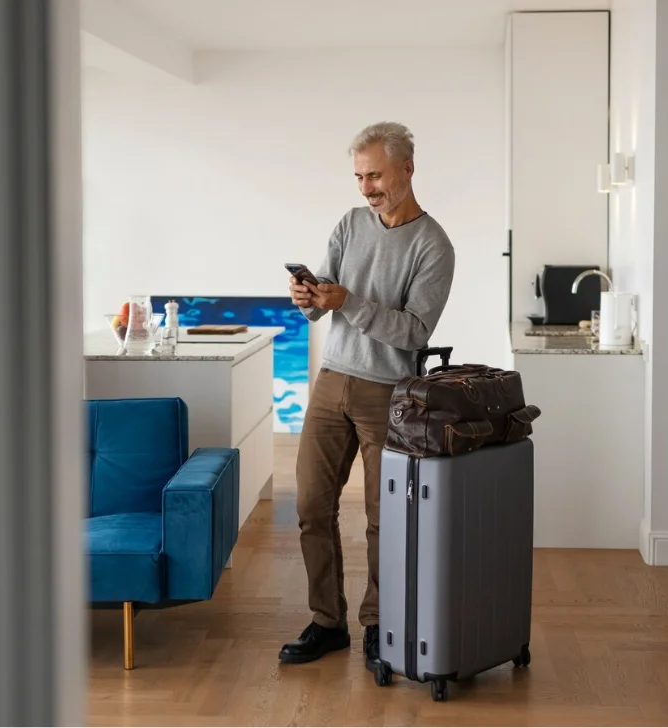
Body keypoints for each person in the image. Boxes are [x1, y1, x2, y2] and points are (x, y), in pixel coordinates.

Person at [278, 121, 456, 671]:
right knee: (310, 505)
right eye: (358, 176)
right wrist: (306, 297)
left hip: (390, 392)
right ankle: (327, 622)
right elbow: (322, 303)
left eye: (374, 174)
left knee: (385, 517)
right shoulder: (350, 224)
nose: (366, 188)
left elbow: (414, 332)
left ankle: (380, 623)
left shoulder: (434, 245)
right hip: (332, 380)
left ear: (407, 168)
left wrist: (347, 301)